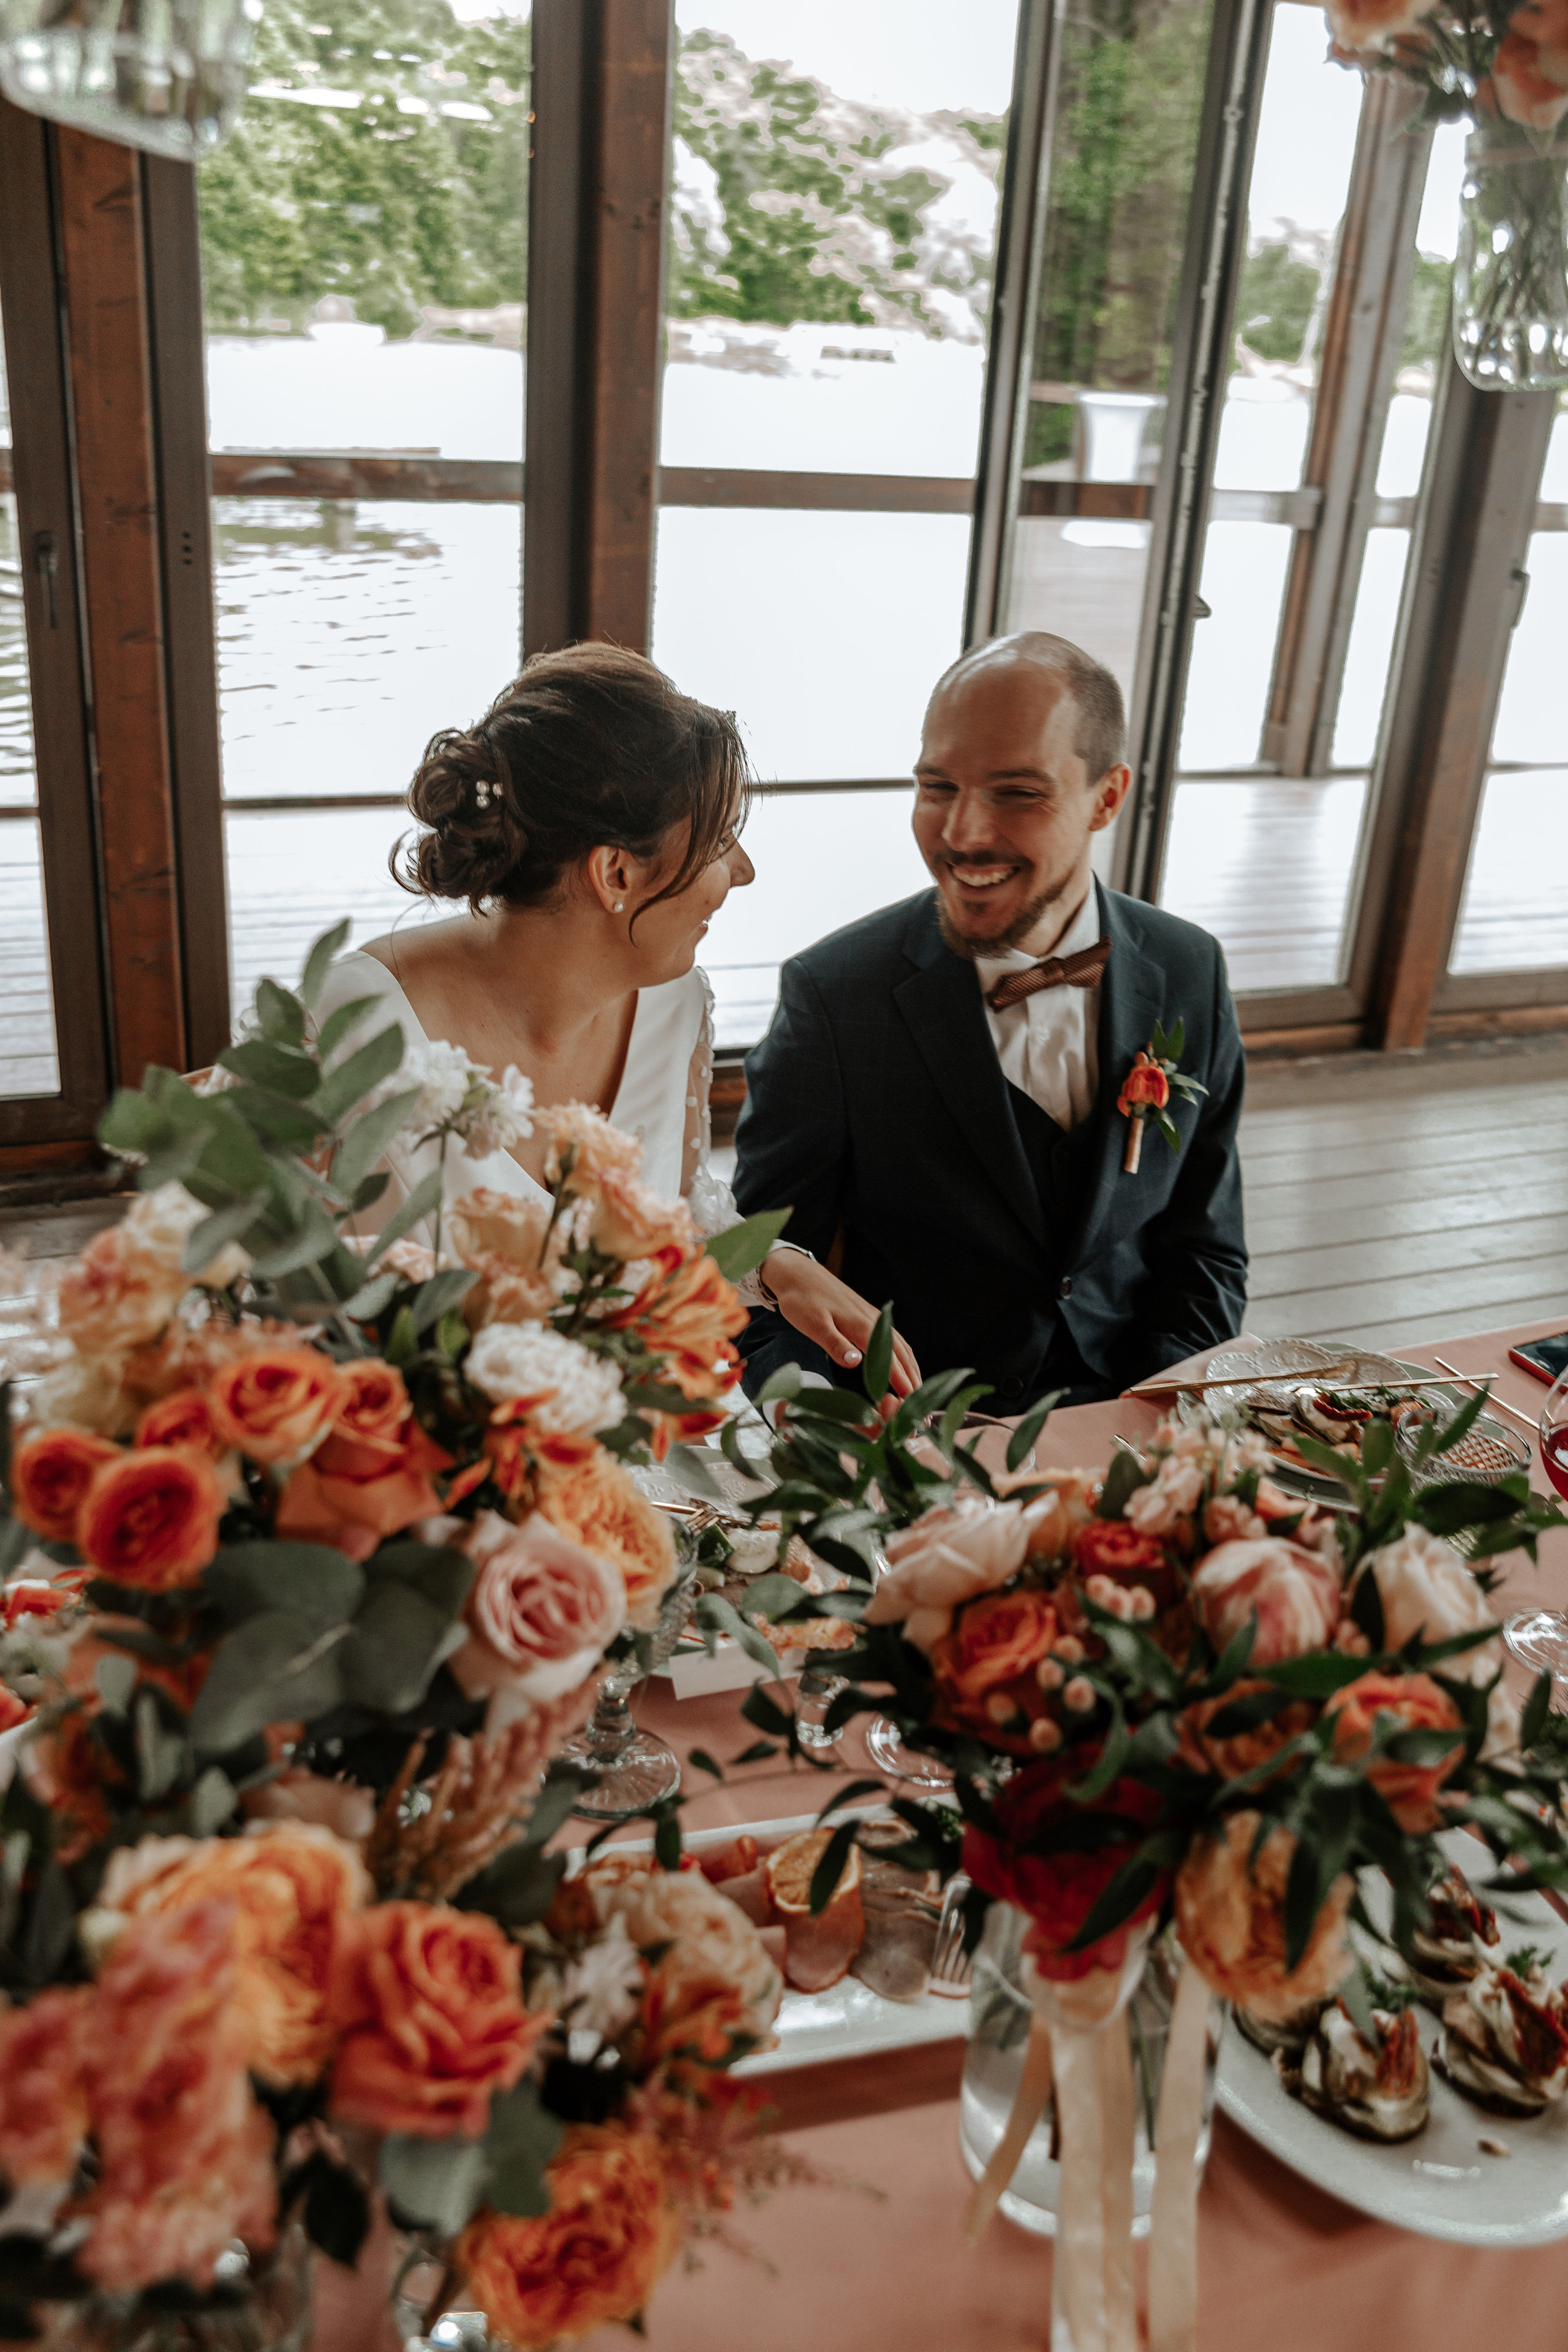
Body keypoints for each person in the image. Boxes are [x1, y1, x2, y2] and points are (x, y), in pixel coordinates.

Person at [312, 644, 919, 1392]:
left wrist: (775, 1266)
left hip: (633, 1431)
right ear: (617, 874)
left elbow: (675, 1217)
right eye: (721, 838)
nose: (743, 870)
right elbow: (307, 1304)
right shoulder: (364, 1025)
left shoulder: (676, 1003)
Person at [732, 631, 1248, 1408]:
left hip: (1137, 1414)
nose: (964, 834)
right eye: (937, 787)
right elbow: (763, 1271)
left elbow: (1205, 1248)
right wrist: (817, 1417)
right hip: (913, 1436)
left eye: (1017, 793)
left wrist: (1158, 1413)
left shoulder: (1189, 968)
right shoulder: (836, 995)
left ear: (1106, 797)